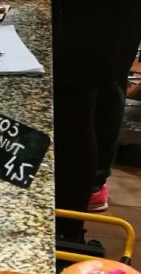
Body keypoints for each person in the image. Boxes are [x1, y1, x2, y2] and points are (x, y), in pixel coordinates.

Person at [52, 0, 141, 240]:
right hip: (101, 20)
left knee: (77, 106)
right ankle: (74, 217)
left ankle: (69, 231)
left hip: (96, 20)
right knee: (90, 98)